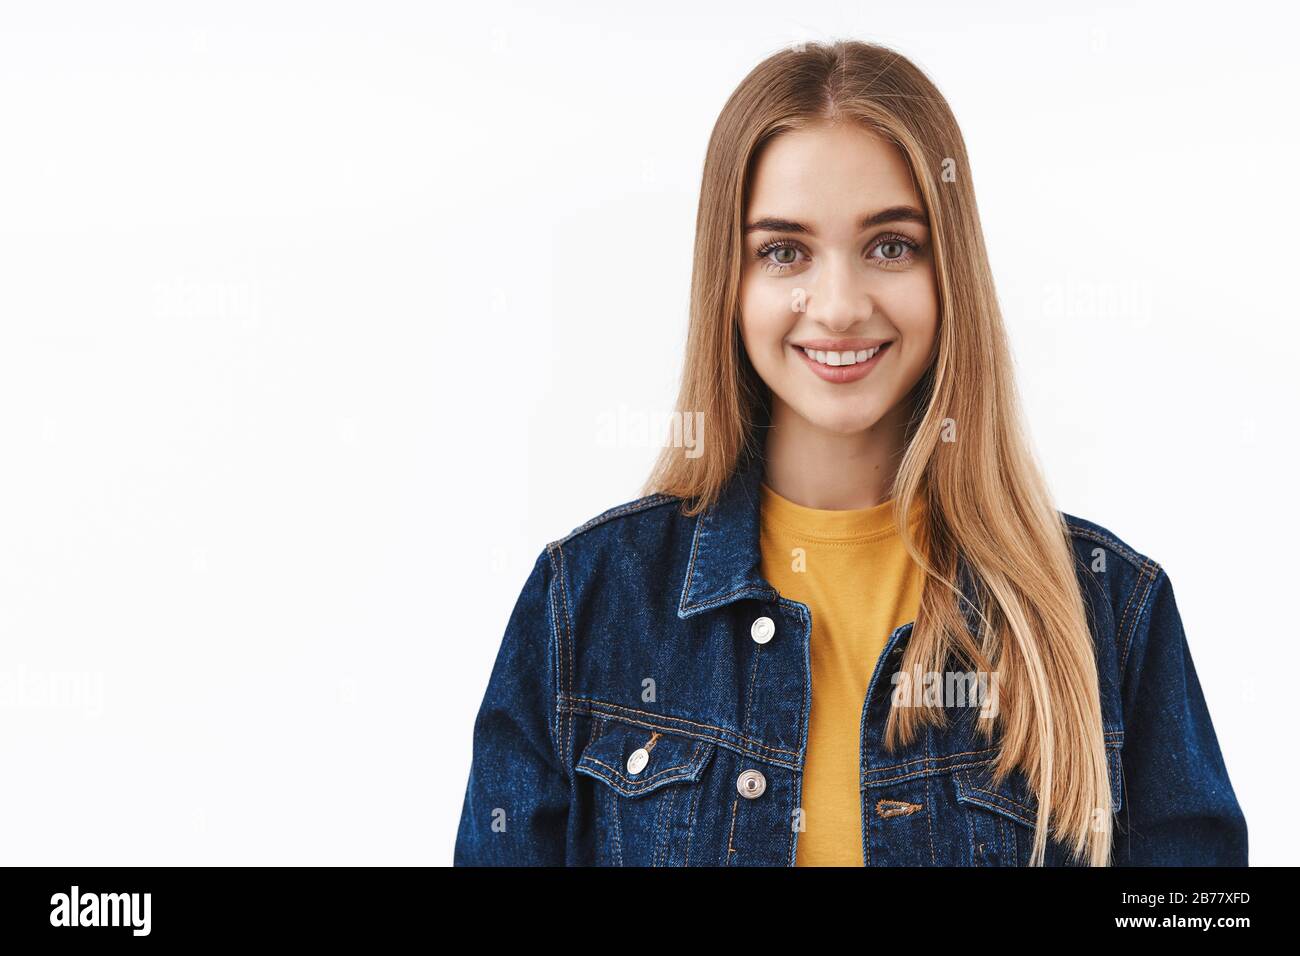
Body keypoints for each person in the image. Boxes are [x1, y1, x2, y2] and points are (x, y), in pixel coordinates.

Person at [453, 39, 1247, 867]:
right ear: (729, 280)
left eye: (890, 245)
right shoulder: (585, 606)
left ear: (951, 274)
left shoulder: (1109, 615)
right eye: (783, 251)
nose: (836, 306)